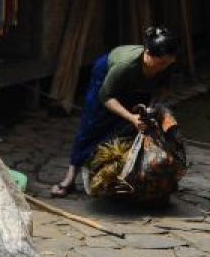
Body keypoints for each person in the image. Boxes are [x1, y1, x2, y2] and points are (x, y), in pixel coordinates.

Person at [50, 26, 180, 197]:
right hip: (106, 77)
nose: (163, 67)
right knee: (93, 124)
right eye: (161, 63)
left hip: (139, 84)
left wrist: (151, 107)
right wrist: (131, 117)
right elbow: (106, 97)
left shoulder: (166, 64)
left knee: (130, 129)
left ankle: (123, 177)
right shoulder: (125, 65)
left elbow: (163, 88)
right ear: (147, 53)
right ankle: (70, 178)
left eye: (168, 63)